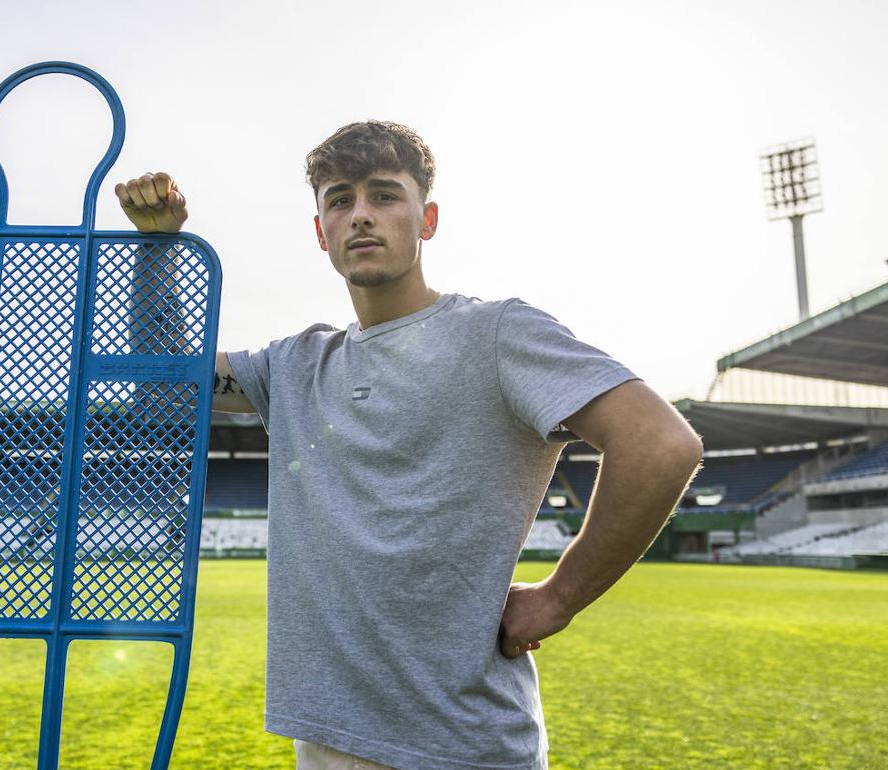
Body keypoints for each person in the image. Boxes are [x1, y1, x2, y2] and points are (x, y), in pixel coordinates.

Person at [115, 121, 703, 770]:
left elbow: (660, 443)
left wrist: (558, 598)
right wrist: (159, 250)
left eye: (384, 195)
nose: (361, 215)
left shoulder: (496, 333)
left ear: (427, 220)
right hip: (327, 736)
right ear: (321, 233)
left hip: (463, 745)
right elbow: (163, 388)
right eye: (340, 200)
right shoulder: (296, 364)